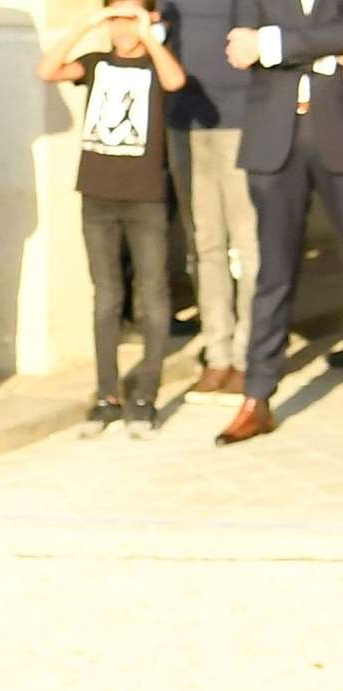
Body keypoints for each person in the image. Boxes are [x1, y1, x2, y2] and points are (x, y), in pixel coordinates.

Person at [42, 4, 186, 432]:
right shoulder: (95, 63)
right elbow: (47, 70)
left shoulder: (155, 65)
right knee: (106, 296)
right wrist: (85, 25)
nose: (122, 28)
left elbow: (175, 81)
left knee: (153, 293)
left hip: (145, 198)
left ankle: (145, 395)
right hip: (98, 197)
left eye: (131, 18)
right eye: (116, 18)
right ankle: (106, 394)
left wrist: (149, 36)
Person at [205, 0, 343, 445]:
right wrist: (321, 52)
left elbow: (262, 46)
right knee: (273, 274)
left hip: (337, 135)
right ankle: (257, 398)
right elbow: (240, 49)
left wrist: (275, 44)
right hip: (274, 143)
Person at [165, 0, 254, 401]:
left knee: (249, 247)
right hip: (183, 122)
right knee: (205, 245)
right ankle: (217, 354)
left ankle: (249, 355)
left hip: (241, 120)